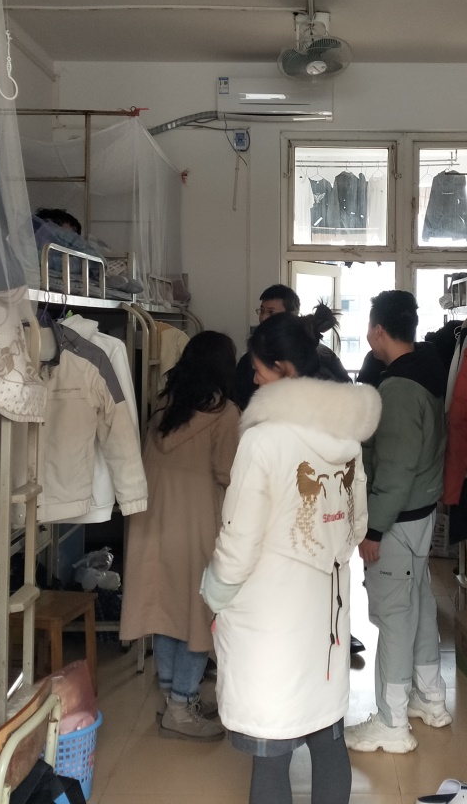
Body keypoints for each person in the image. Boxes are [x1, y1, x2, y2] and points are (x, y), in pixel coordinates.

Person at [201, 305, 381, 804]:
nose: (253, 379)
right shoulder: (346, 435)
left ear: (282, 369)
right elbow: (356, 523)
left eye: (259, 370)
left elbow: (239, 540)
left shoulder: (263, 441)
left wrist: (217, 592)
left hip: (270, 616)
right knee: (328, 737)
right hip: (326, 610)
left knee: (272, 748)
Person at [119, 331, 241, 741]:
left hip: (153, 524)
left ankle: (174, 699)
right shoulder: (225, 415)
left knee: (166, 611)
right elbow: (228, 473)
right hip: (196, 526)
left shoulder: (164, 406)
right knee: (196, 615)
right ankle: (181, 706)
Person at [345, 290, 452, 755]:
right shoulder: (428, 369)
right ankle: (430, 699)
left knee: (393, 616)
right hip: (421, 510)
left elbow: (393, 467)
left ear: (377, 330)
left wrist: (372, 529)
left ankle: (391, 723)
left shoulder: (398, 389)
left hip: (397, 519)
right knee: (419, 604)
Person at [233, 284, 350, 408]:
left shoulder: (323, 355)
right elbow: (240, 401)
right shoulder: (250, 359)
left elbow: (345, 389)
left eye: (271, 312)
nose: (263, 317)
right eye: (262, 311)